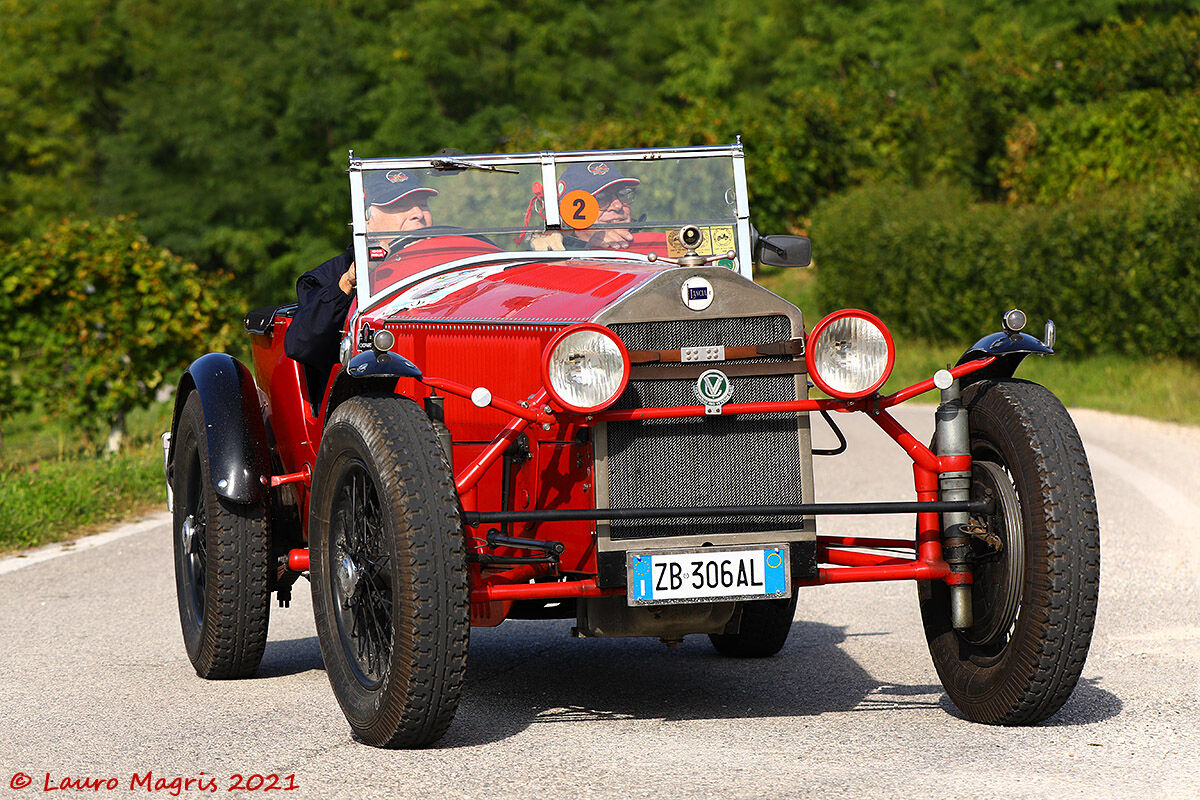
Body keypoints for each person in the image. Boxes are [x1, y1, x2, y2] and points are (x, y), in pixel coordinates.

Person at [284, 169, 436, 407]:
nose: (418, 214)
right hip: (371, 407)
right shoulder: (331, 275)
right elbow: (300, 345)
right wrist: (348, 281)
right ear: (366, 220)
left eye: (422, 204)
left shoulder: (454, 263)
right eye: (400, 206)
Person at [557, 161, 640, 249]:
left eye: (622, 194)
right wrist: (588, 250)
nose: (618, 206)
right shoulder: (551, 256)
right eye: (601, 198)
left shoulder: (649, 243)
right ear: (569, 212)